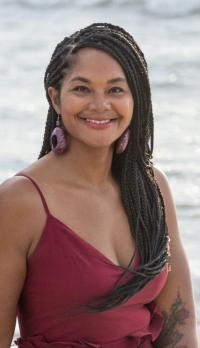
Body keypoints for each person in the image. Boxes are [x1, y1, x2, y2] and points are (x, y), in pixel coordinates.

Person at [0, 23, 198, 348]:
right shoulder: (20, 201)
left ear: (136, 98)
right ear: (55, 98)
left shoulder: (152, 188)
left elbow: (180, 327)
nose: (100, 104)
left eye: (116, 90)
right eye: (82, 89)